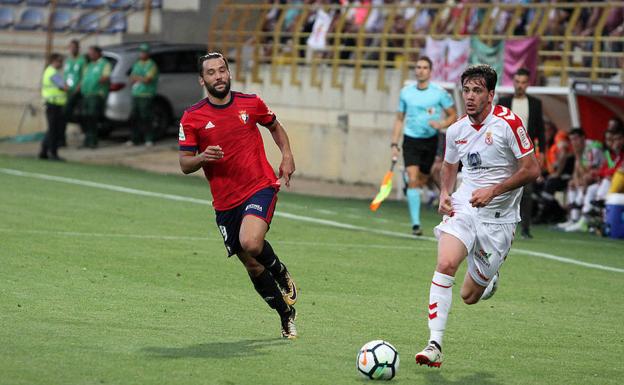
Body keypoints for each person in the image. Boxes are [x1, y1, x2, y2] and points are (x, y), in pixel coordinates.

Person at [414, 64, 540, 368]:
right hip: (465, 207)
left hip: (499, 220)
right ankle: (434, 344)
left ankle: (488, 277)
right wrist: (445, 194)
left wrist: (494, 191)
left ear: (491, 94)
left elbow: (532, 169)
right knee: (445, 264)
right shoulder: (456, 128)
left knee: (470, 295)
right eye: (466, 90)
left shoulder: (509, 124)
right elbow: (448, 165)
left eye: (477, 91)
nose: (470, 97)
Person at [178, 52, 299, 339]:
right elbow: (184, 164)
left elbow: (274, 126)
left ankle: (281, 272)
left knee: (251, 241)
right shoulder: (192, 117)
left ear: (229, 73)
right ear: (202, 79)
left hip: (260, 185)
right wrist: (203, 157)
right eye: (211, 72)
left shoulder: (251, 103)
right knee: (251, 264)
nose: (218, 76)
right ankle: (285, 314)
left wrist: (287, 154)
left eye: (222, 70)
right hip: (225, 201)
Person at [390, 56, 457, 236]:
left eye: (424, 67)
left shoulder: (439, 93)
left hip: (430, 141)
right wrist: (394, 143)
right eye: (418, 67)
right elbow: (399, 119)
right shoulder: (406, 92)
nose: (420, 70)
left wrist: (441, 124)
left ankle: (412, 184)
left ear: (430, 71)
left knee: (423, 179)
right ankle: (416, 224)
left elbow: (453, 115)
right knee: (413, 179)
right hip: (411, 140)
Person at [498, 68, 545, 239]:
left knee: (527, 191)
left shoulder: (535, 104)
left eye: (523, 82)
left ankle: (525, 228)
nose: (520, 85)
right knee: (501, 186)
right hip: (504, 151)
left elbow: (540, 130)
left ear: (528, 84)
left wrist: (543, 153)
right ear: (513, 82)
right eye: (517, 82)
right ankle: (500, 223)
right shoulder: (503, 102)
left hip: (526, 152)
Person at [127, 43, 159, 147]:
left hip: (146, 94)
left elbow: (148, 79)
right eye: (141, 52)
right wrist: (140, 78)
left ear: (148, 53)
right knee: (134, 117)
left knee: (146, 117)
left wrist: (138, 78)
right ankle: (134, 139)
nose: (142, 54)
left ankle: (149, 139)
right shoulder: (137, 64)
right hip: (136, 94)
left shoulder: (151, 64)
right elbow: (131, 78)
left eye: (144, 52)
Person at [80, 45, 111, 149]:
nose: (90, 54)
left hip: (96, 94)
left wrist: (95, 82)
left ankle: (93, 141)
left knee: (92, 117)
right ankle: (86, 140)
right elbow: (84, 79)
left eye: (92, 52)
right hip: (86, 94)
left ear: (98, 53)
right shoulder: (89, 65)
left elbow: (105, 77)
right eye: (89, 53)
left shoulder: (104, 64)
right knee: (85, 117)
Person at [39, 53, 67, 161]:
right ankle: (53, 153)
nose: (61, 63)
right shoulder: (53, 73)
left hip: (52, 104)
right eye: (59, 61)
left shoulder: (49, 71)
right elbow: (64, 87)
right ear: (53, 61)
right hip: (54, 104)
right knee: (54, 130)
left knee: (52, 129)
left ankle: (43, 151)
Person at [63, 39, 86, 143]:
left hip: (77, 91)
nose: (72, 49)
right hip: (67, 90)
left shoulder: (82, 60)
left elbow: (84, 76)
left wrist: (79, 87)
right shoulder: (67, 60)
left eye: (74, 47)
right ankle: (62, 137)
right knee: (65, 114)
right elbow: (65, 75)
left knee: (78, 113)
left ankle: (83, 132)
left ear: (78, 48)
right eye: (70, 47)